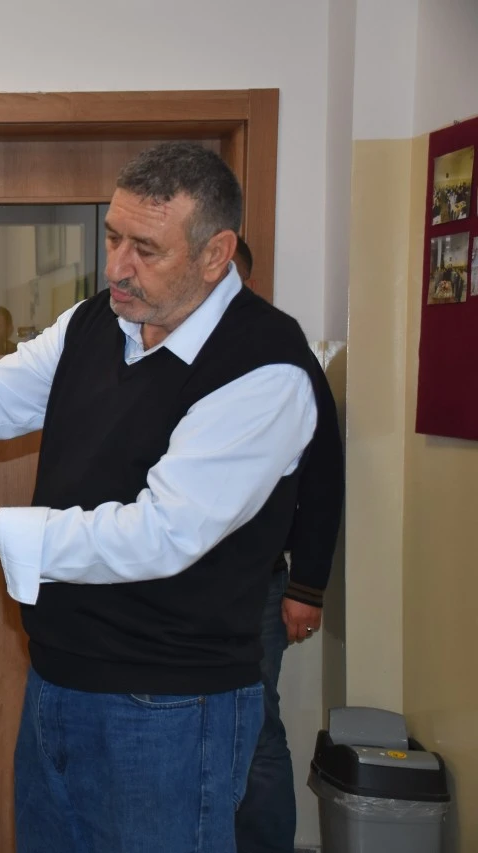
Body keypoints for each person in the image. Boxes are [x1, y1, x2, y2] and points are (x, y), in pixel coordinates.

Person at [0, 141, 341, 853]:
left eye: (145, 249)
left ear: (216, 253)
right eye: (112, 237)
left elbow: (160, 534)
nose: (116, 267)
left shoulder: (265, 368)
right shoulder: (96, 322)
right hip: (56, 679)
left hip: (172, 705)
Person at [232, 236, 345, 853]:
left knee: (254, 728)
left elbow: (323, 473)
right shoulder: (158, 348)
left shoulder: (279, 350)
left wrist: (308, 587)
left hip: (256, 584)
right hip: (169, 589)